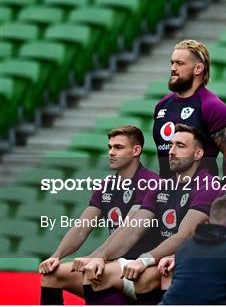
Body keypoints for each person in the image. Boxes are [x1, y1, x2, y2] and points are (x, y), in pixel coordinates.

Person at [81, 124, 220, 304]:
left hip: (190, 261)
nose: (171, 151)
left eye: (180, 146)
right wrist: (101, 256)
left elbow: (185, 235)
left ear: (198, 154)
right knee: (93, 274)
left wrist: (144, 260)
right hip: (159, 260)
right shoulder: (161, 186)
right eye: (171, 145)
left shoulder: (208, 185)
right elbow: (132, 230)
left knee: (143, 278)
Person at [39, 126, 159, 304]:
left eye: (118, 147)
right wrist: (56, 256)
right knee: (52, 274)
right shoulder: (106, 185)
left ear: (136, 150)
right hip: (111, 261)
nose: (111, 152)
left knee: (93, 272)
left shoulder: (150, 182)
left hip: (140, 266)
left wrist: (96, 256)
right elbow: (81, 228)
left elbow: (129, 229)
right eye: (110, 147)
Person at [153, 39, 226, 178]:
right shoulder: (162, 105)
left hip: (199, 193)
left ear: (198, 68)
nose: (173, 68)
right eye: (172, 63)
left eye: (180, 63)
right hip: (167, 192)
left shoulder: (213, 107)